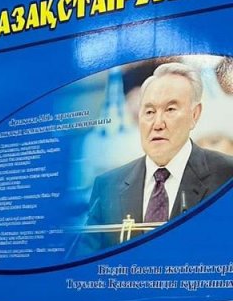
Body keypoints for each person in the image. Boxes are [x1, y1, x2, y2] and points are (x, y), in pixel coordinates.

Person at [84, 61, 233, 245]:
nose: (158, 123)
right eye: (149, 112)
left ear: (194, 116)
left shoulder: (224, 174)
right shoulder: (107, 186)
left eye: (170, 109)